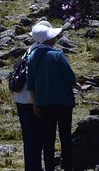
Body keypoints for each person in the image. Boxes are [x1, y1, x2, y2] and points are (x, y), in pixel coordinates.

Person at [27, 19, 77, 171]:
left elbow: (31, 84)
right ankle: (67, 166)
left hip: (44, 104)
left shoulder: (31, 57)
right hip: (63, 102)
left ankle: (49, 167)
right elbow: (70, 77)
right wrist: (77, 85)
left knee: (48, 139)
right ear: (49, 39)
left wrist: (35, 104)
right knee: (65, 136)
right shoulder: (57, 55)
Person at [14, 33, 46, 171]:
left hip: (20, 98)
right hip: (31, 100)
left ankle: (31, 167)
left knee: (28, 137)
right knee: (37, 137)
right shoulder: (40, 53)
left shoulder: (28, 50)